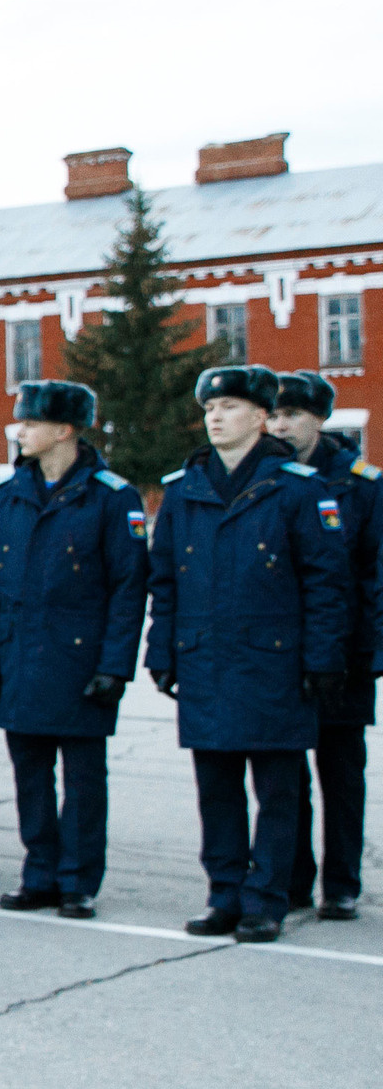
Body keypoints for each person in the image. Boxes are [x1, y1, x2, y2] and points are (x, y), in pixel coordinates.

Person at [149, 364, 353, 940]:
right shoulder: (185, 489)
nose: (215, 417)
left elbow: (326, 583)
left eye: (230, 408)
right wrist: (161, 650)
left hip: (275, 661)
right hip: (206, 658)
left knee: (277, 791)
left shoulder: (298, 488)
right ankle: (225, 894)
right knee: (216, 790)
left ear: (262, 418)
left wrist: (323, 659)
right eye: (210, 409)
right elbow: (164, 581)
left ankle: (266, 898)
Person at [0, 380, 145, 918]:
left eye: (31, 423)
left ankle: (79, 880)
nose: (20, 432)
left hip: (80, 661)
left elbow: (128, 587)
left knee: (84, 780)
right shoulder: (7, 495)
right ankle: (39, 872)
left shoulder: (112, 497)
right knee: (30, 776)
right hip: (19, 655)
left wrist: (116, 665)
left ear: (64, 430)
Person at [266, 371, 380, 919]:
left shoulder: (362, 484)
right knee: (285, 775)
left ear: (320, 420)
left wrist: (371, 652)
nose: (281, 425)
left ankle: (341, 884)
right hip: (285, 652)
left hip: (345, 653)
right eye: (275, 414)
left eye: (293, 415)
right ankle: (292, 880)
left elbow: (375, 576)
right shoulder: (268, 477)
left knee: (341, 773)